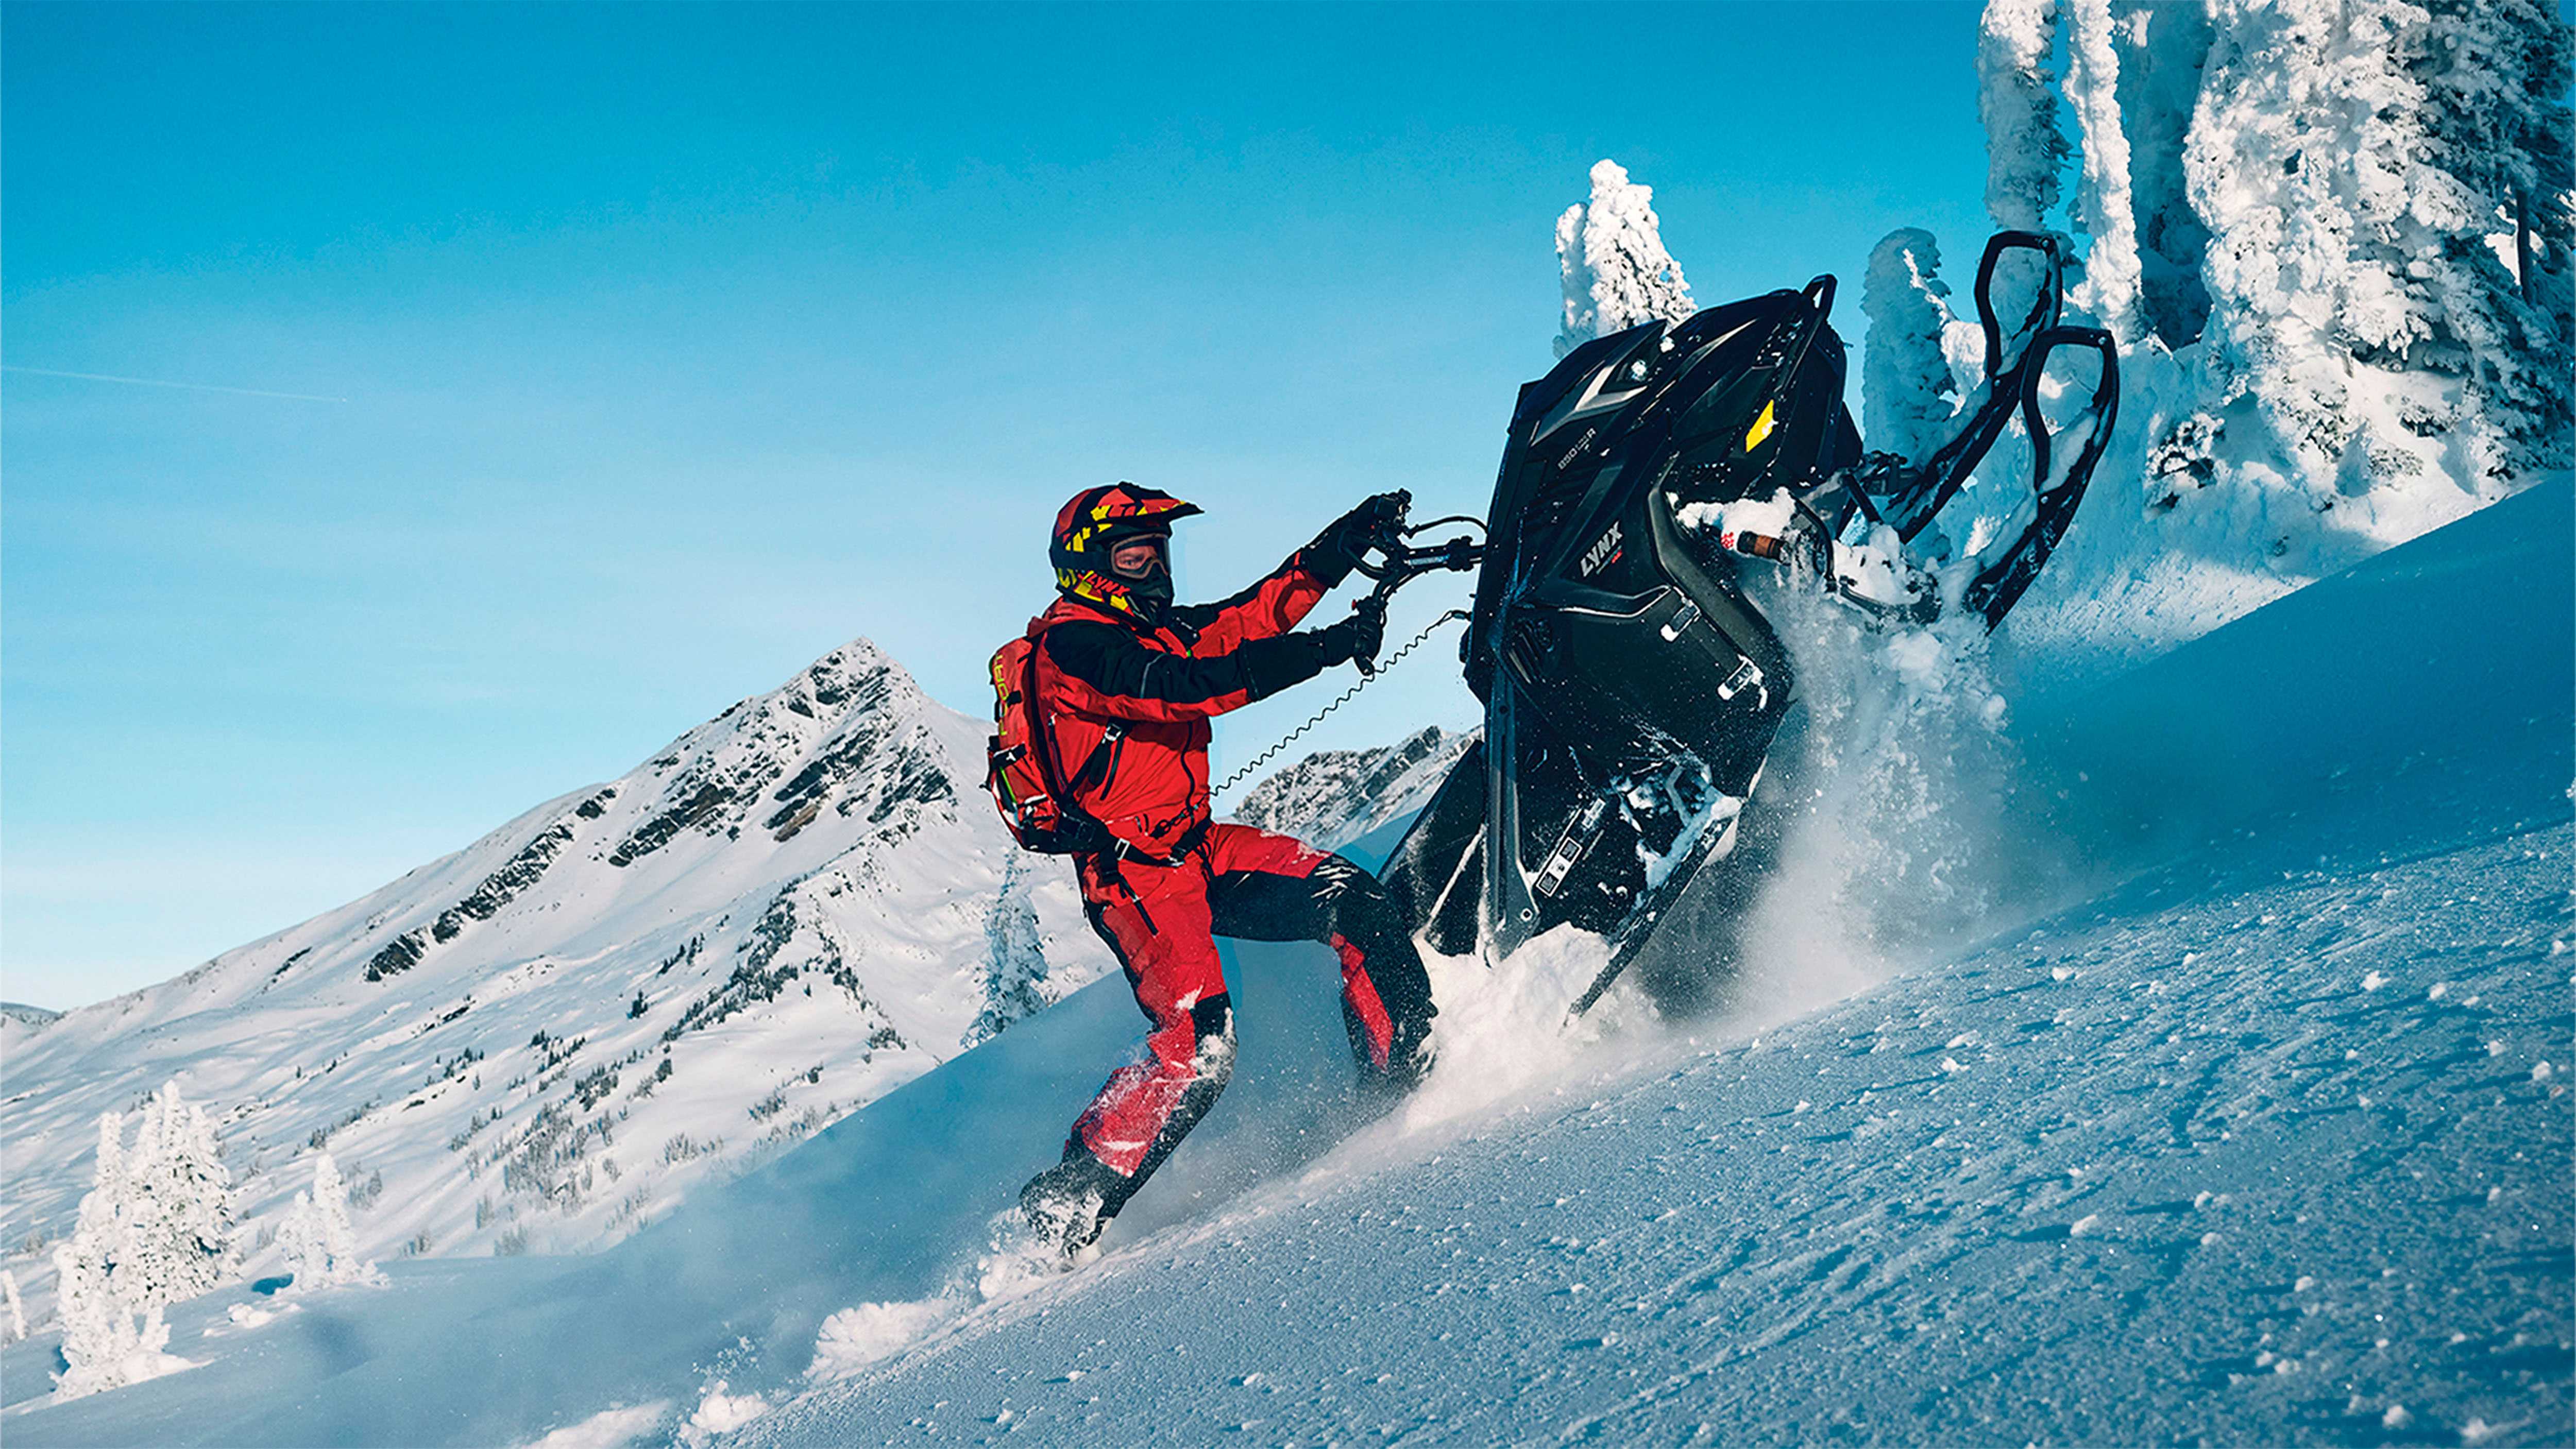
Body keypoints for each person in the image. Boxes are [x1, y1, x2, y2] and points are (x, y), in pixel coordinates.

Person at [1012, 481, 1439, 1262]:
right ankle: (1069, 1201)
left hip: (1197, 846)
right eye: (1134, 552)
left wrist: (1342, 542)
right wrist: (1327, 648)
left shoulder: (1151, 628)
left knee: (1358, 902)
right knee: (1198, 1042)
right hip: (1135, 873)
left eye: (1158, 549)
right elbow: (1190, 688)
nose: (1153, 566)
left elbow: (1250, 616)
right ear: (1090, 564)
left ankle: (1402, 1098)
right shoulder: (1075, 648)